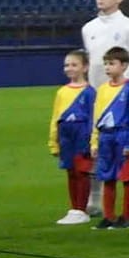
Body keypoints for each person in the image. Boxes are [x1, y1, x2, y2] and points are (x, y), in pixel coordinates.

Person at [81, 0, 129, 215]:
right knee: (98, 150)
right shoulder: (88, 28)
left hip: (122, 97)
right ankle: (96, 203)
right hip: (98, 96)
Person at [91, 46, 129, 229]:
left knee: (127, 177)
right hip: (106, 136)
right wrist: (94, 140)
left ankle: (125, 217)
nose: (107, 67)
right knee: (107, 176)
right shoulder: (102, 89)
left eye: (112, 63)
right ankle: (109, 216)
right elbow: (97, 116)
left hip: (123, 135)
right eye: (106, 64)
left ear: (124, 65)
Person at [49, 49, 96, 225]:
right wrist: (53, 142)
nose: (69, 68)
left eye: (74, 64)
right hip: (65, 136)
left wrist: (92, 141)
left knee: (81, 171)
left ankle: (82, 209)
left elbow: (93, 118)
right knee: (70, 171)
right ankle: (74, 208)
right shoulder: (62, 92)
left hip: (82, 135)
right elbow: (56, 117)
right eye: (67, 65)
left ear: (85, 67)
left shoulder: (90, 92)